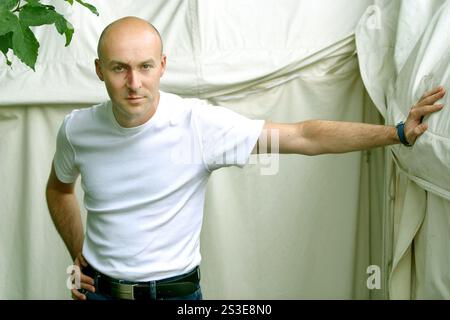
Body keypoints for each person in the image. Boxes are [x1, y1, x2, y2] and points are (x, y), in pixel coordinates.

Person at [46, 16, 446, 300]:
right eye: (119, 69)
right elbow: (59, 189)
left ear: (162, 66)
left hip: (175, 295)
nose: (134, 83)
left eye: (145, 67)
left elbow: (303, 137)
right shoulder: (77, 130)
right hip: (100, 294)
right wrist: (77, 255)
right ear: (100, 70)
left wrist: (396, 133)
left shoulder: (198, 126)